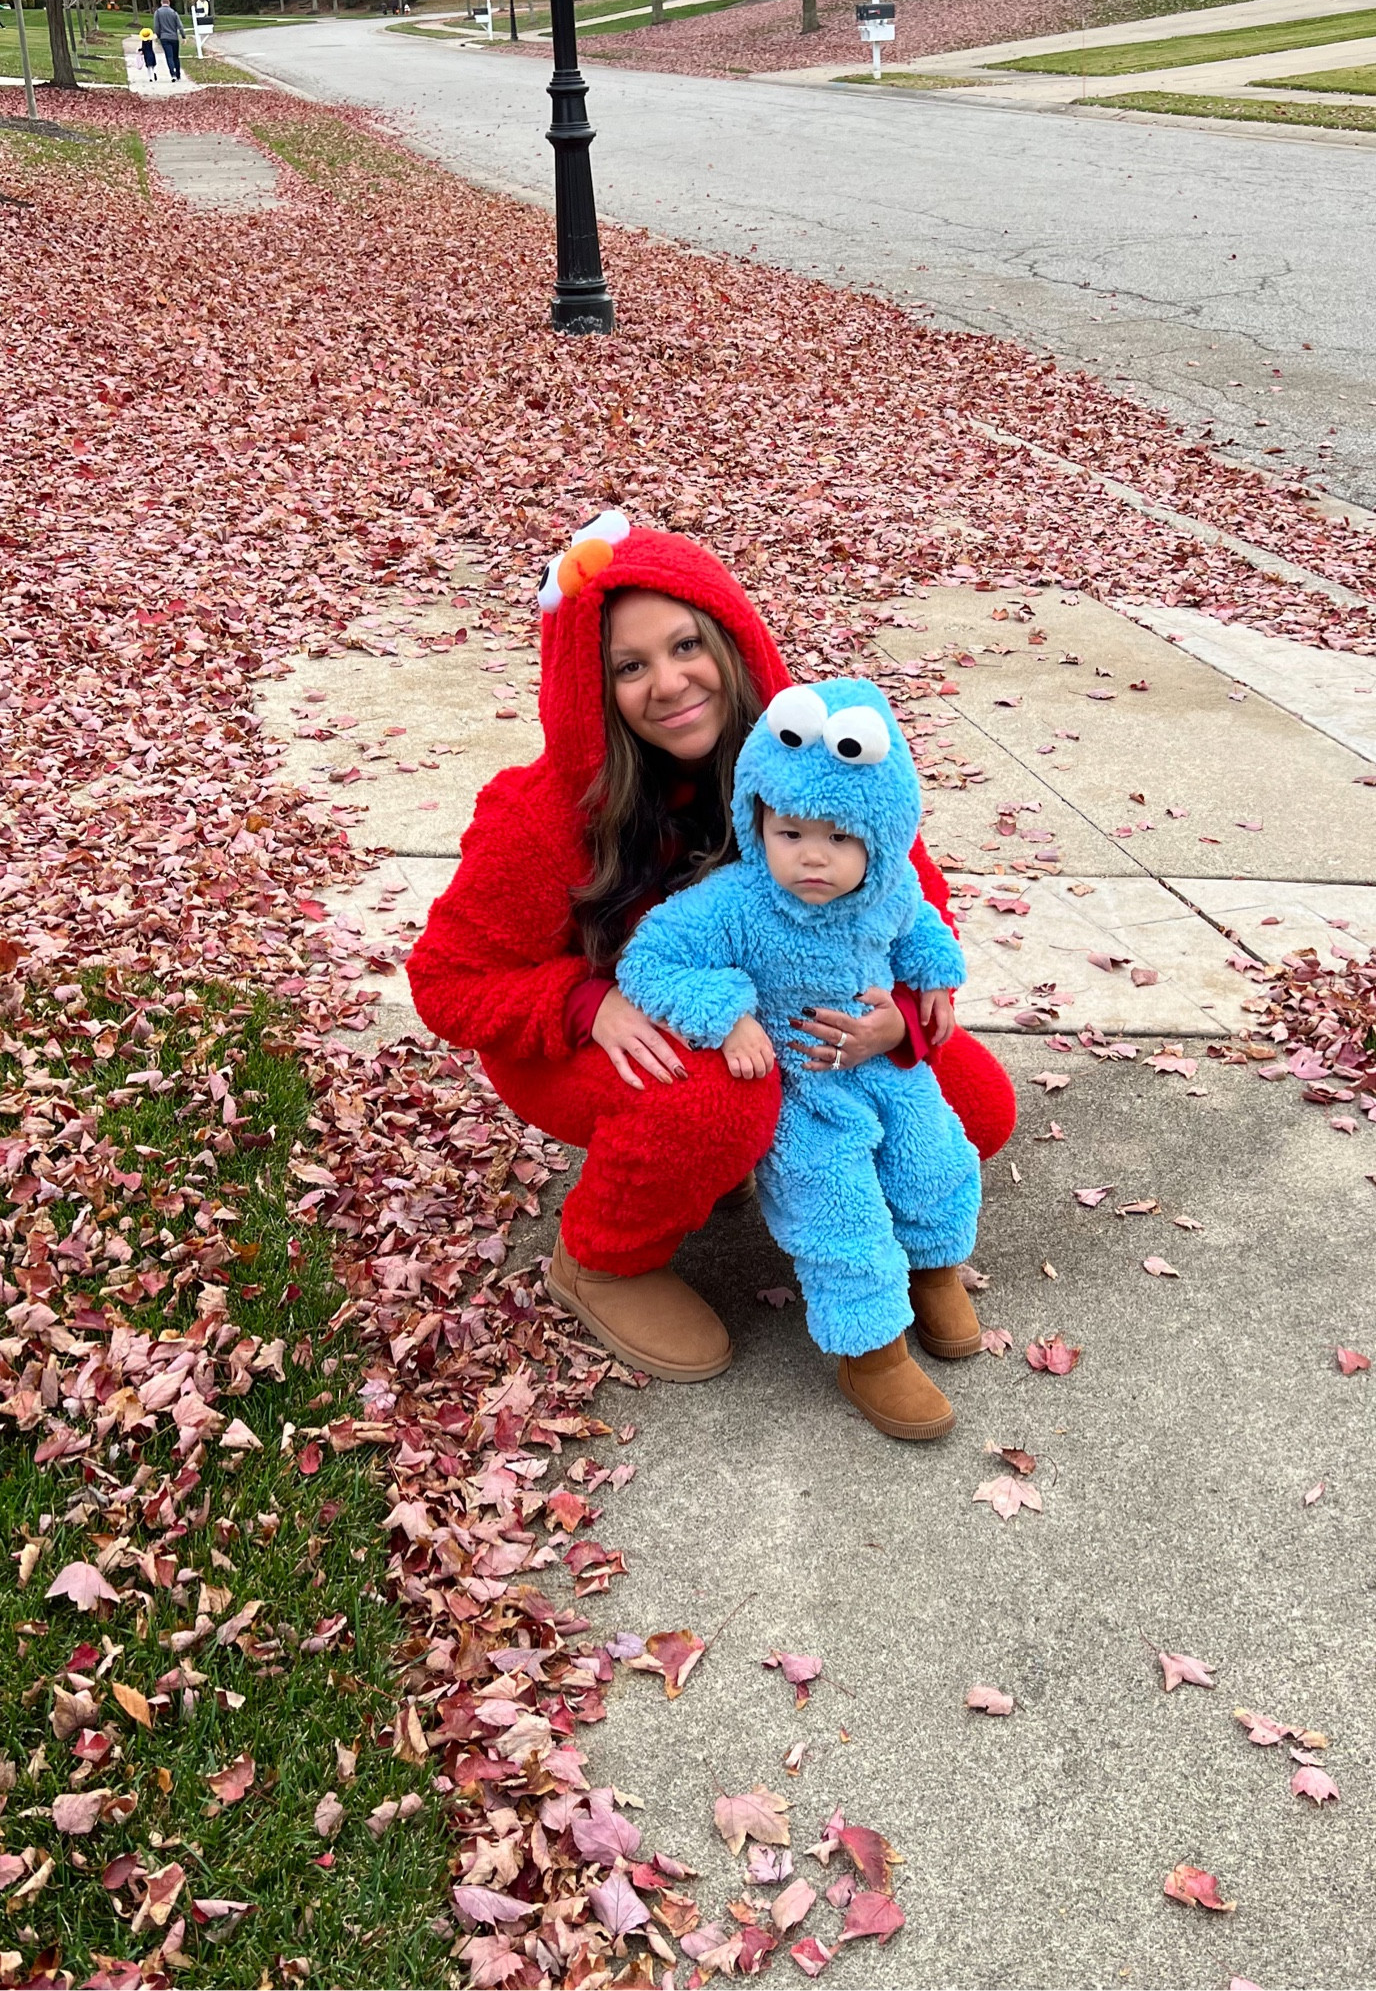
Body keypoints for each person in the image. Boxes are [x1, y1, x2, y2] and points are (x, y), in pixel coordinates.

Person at [406, 516, 1017, 1388]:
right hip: (606, 1031)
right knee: (722, 1100)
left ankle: (792, 1183)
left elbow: (906, 883)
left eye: (684, 643)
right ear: (594, 684)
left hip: (795, 1019)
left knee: (976, 1109)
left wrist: (903, 1013)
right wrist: (587, 1002)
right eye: (629, 665)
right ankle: (603, 1256)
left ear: (727, 638)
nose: (667, 681)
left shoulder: (799, 757)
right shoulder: (540, 817)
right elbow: (445, 981)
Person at [618, 678, 982, 1440]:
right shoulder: (735, 901)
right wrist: (727, 1015)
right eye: (789, 834)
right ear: (759, 821)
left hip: (884, 1068)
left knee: (936, 1157)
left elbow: (915, 923)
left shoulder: (887, 886)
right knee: (835, 1206)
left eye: (840, 839)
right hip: (802, 1087)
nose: (812, 858)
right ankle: (871, 1349)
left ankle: (934, 1268)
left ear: (878, 837)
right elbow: (649, 960)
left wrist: (936, 973)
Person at [152, 0, 183, 79]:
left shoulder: (157, 12)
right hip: (174, 37)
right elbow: (180, 25)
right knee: (176, 57)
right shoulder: (174, 13)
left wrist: (158, 35)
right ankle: (178, 74)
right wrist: (183, 36)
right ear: (168, 3)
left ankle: (172, 74)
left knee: (169, 56)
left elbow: (156, 26)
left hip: (164, 37)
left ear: (161, 3)